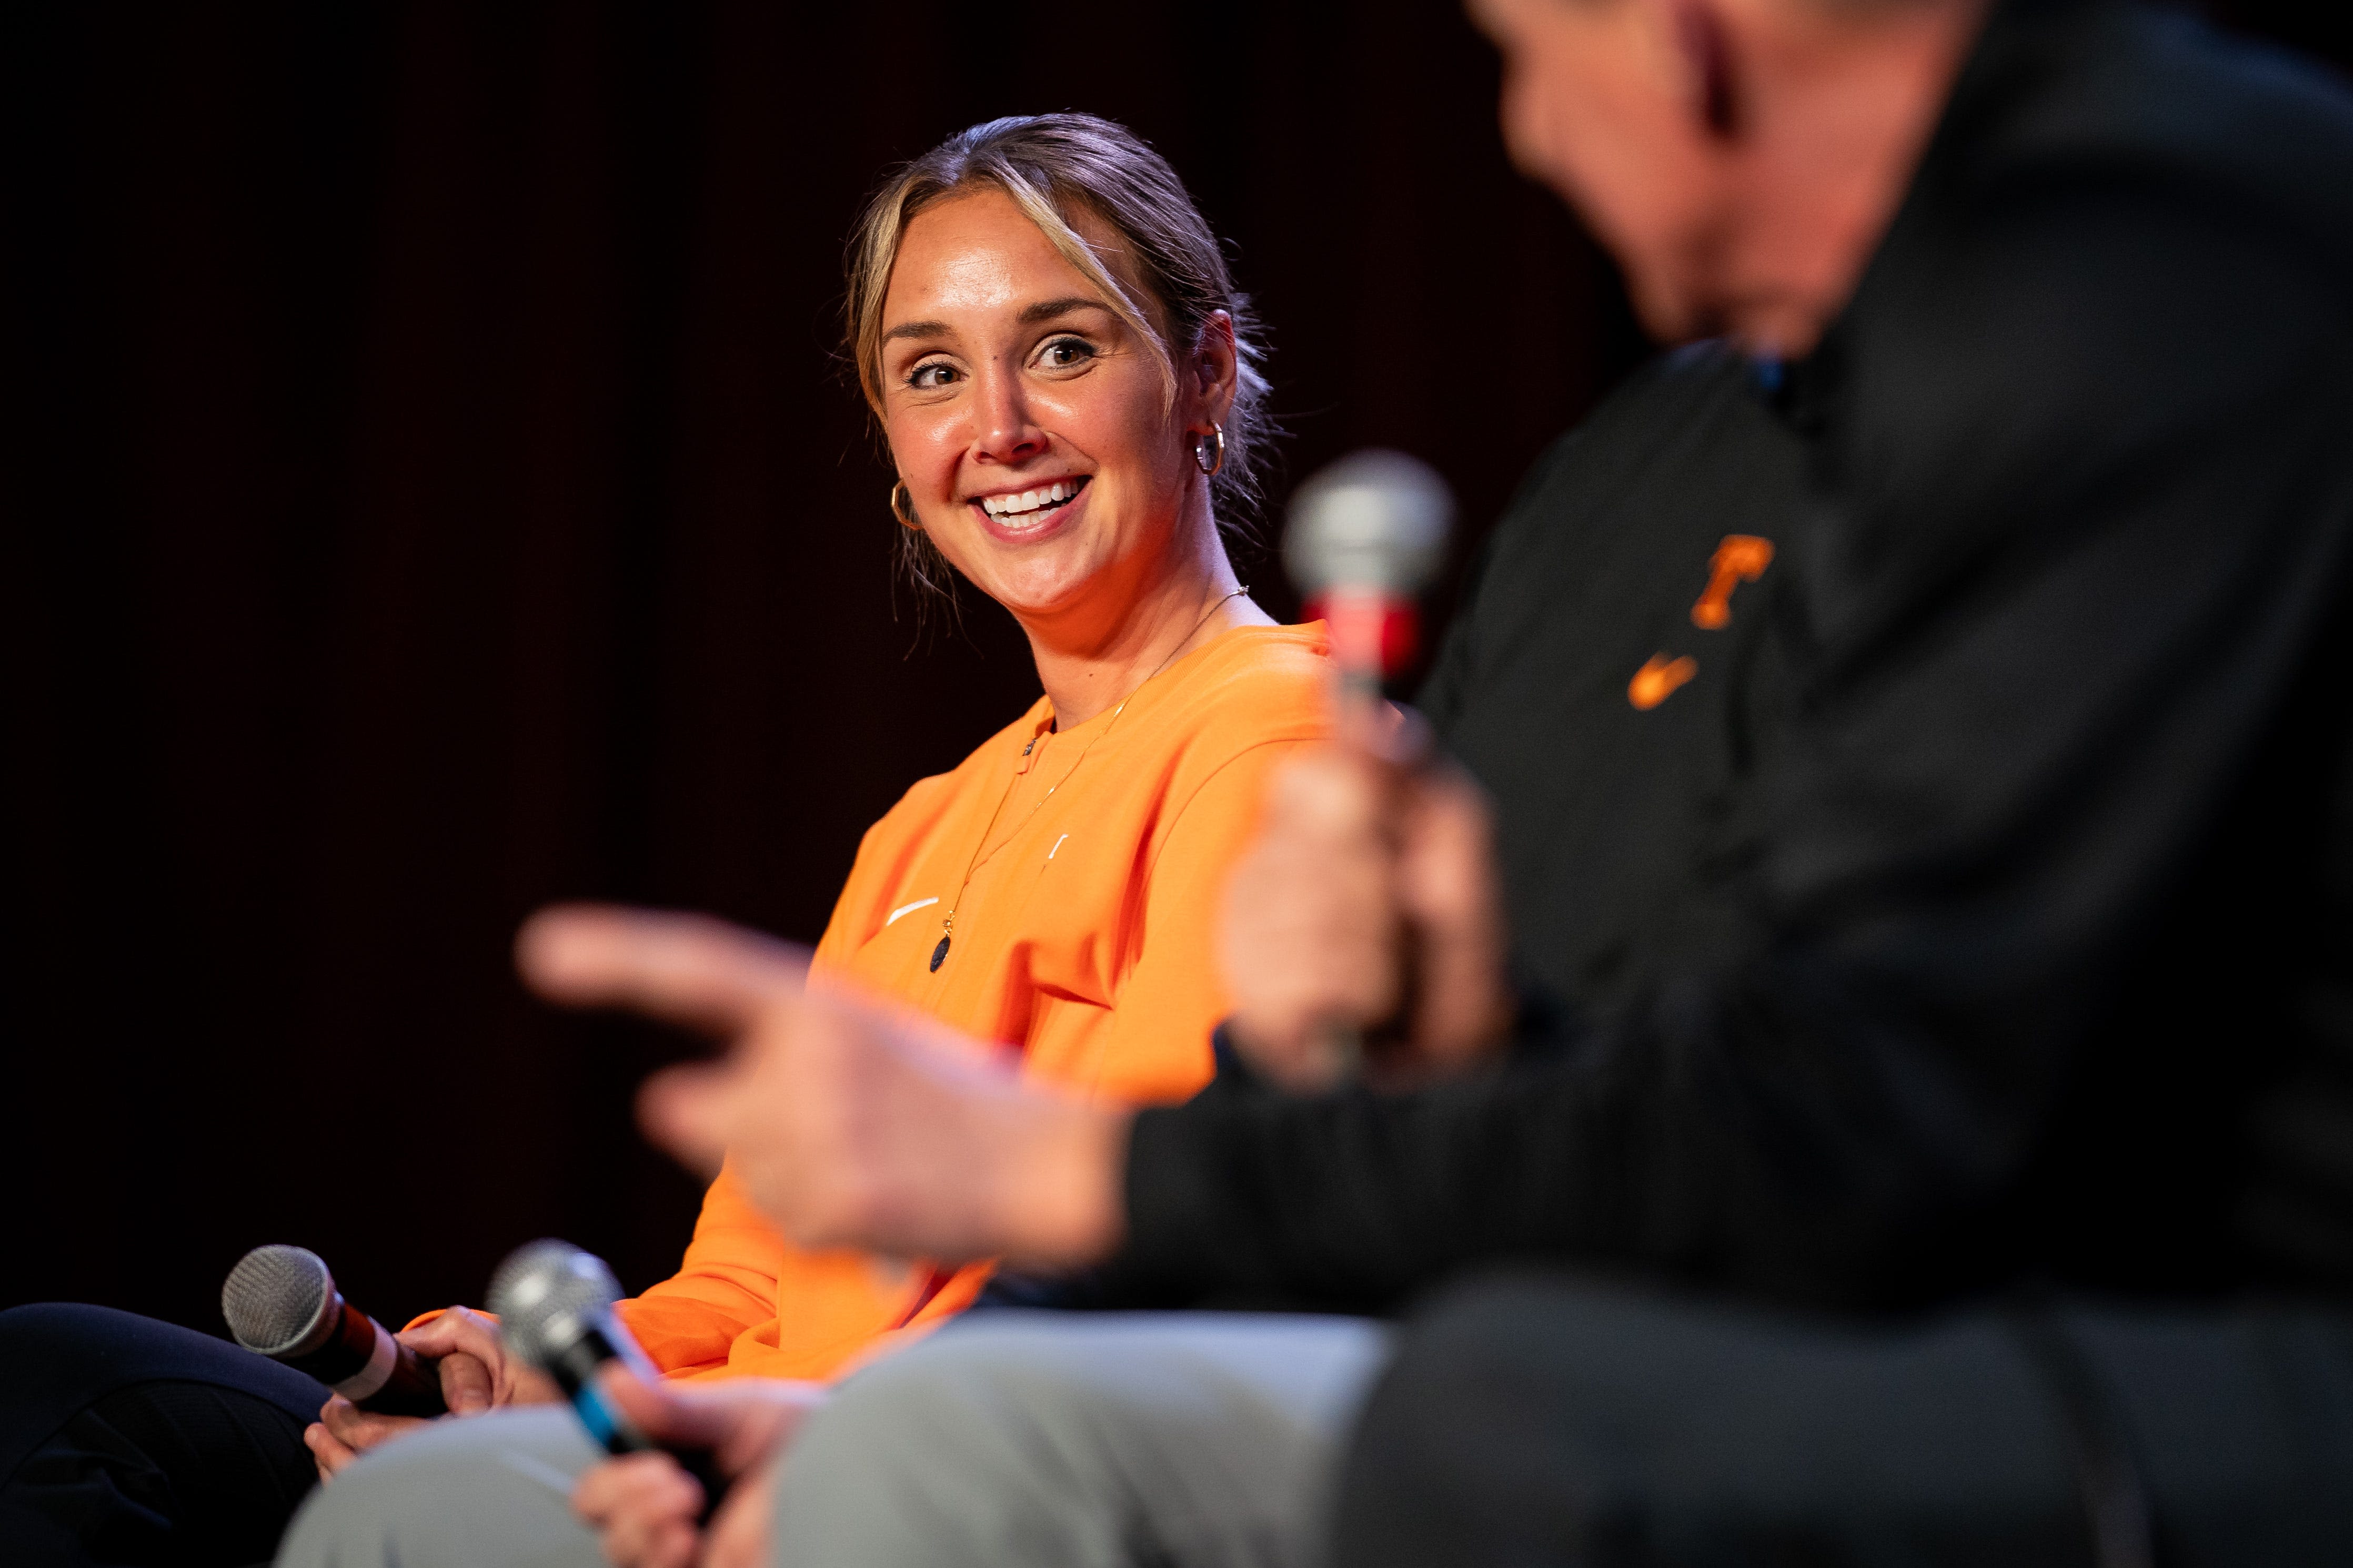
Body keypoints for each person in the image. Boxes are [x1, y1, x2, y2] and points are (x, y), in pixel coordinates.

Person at [389, 0, 2353, 1562]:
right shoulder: (1641, 477)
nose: (1522, 133)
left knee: (1455, 1417)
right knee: (384, 1489)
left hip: (2144, 1343)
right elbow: (1655, 1054)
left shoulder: (2154, 260)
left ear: (1675, 36)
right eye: (925, 374)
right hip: (1729, 1271)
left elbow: (1868, 1104)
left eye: (1515, 52)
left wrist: (1037, 1201)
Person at [1, 112, 1330, 1568]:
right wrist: (546, 1369)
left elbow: (1126, 1254)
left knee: (402, 1517)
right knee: (62, 1391)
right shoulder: (927, 825)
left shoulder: (1286, 735)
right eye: (933, 372)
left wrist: (661, 1432)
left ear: (1201, 373)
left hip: (907, 1471)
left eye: (1064, 348)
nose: (998, 428)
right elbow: (753, 1282)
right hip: (713, 1431)